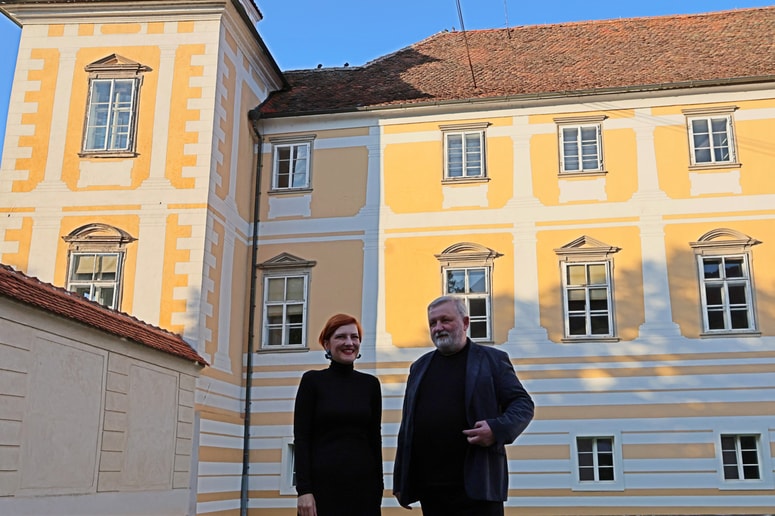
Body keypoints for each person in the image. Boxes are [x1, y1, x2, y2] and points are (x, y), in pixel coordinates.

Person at [393, 295, 534, 516]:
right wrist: (401, 480)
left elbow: (523, 404)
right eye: (433, 323)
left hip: (478, 487)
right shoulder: (419, 367)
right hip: (432, 489)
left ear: (465, 322)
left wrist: (496, 429)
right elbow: (408, 426)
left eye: (445, 320)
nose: (438, 328)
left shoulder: (493, 360)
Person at [293, 313, 383, 516]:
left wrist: (379, 488)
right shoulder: (312, 382)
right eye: (341, 337)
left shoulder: (370, 385)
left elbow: (374, 439)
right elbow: (302, 438)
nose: (349, 342)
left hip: (363, 489)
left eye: (354, 337)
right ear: (326, 344)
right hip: (322, 490)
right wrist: (304, 490)